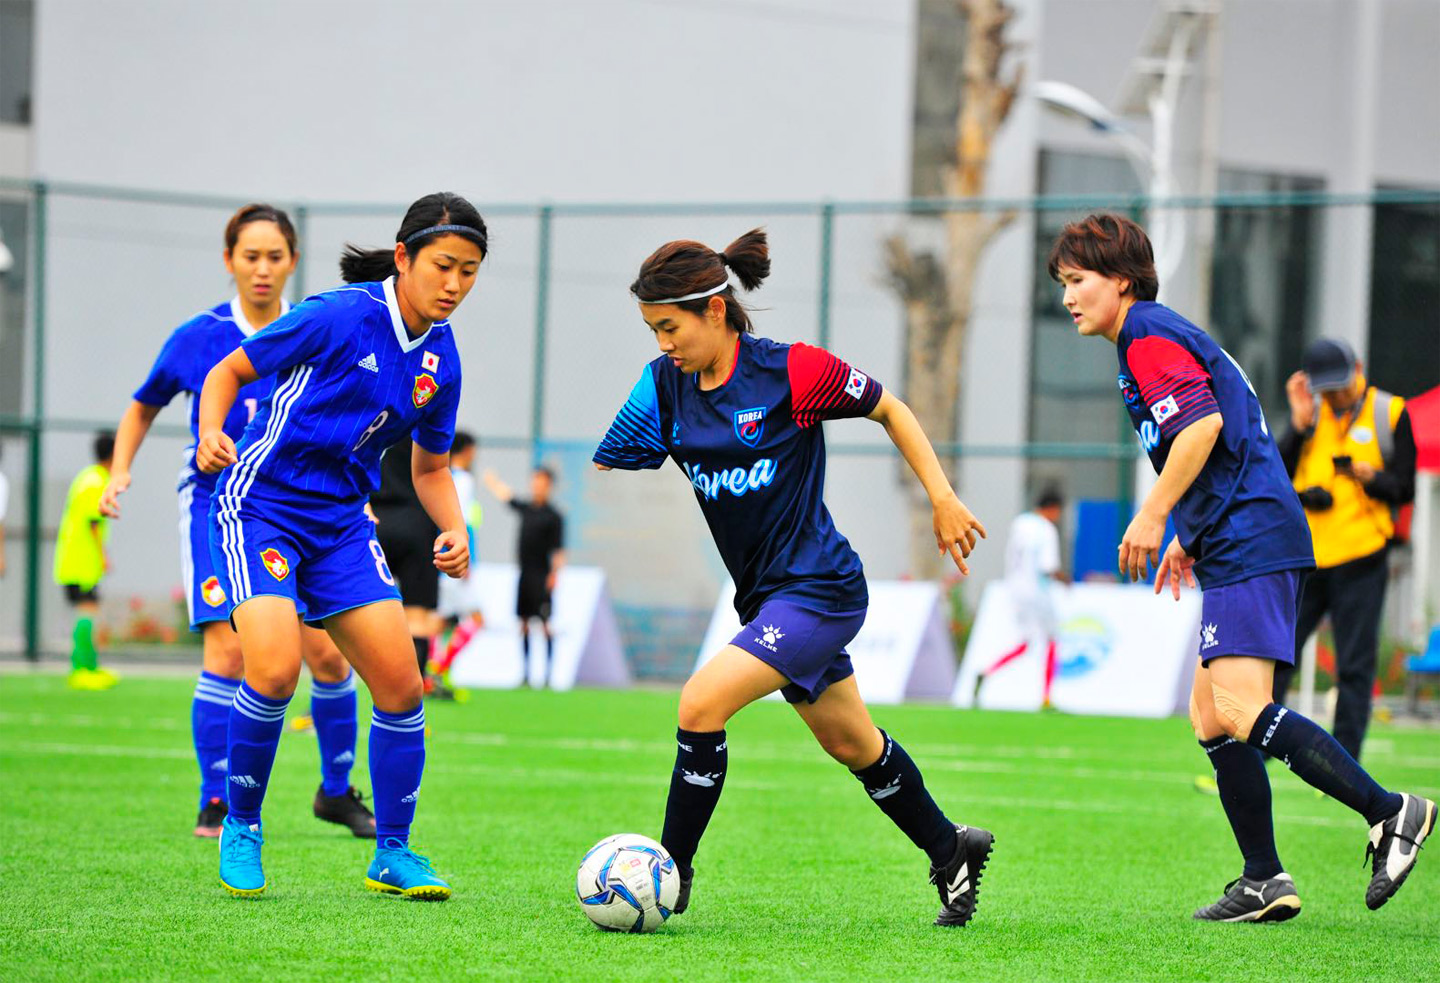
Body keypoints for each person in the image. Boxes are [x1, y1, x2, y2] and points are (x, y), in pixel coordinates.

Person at [593, 229, 993, 927]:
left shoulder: (791, 372)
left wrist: (942, 495)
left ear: (716, 310)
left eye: (670, 326)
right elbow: (618, 451)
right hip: (768, 599)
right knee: (852, 743)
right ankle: (950, 847)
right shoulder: (664, 386)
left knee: (700, 703)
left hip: (821, 588)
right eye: (653, 329)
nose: (662, 343)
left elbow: (890, 408)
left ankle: (671, 871)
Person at [1051, 212, 1434, 922]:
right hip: (1236, 533)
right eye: (1063, 283)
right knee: (1210, 715)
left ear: (1123, 281)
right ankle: (1263, 876)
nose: (1068, 296)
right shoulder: (1149, 336)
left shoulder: (1147, 335)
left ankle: (1391, 811)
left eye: (1078, 280)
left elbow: (1203, 427)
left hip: (1253, 535)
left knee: (1237, 706)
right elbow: (1223, 438)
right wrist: (1189, 531)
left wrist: (1156, 512)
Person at [195, 192, 484, 901]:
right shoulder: (339, 314)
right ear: (406, 256)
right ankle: (243, 823)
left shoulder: (442, 361)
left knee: (400, 683)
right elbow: (227, 372)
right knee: (273, 666)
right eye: (444, 265)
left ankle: (392, 850)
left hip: (343, 525)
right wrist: (208, 432)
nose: (454, 284)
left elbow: (431, 467)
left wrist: (456, 528)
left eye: (470, 271)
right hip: (258, 507)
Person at [100, 203, 373, 840]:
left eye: (275, 256)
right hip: (218, 505)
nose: (262, 268)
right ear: (229, 261)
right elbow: (142, 407)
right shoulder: (199, 336)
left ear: (293, 262)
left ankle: (336, 793)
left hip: (301, 509)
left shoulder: (314, 327)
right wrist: (119, 472)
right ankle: (216, 800)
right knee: (228, 646)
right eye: (249, 256)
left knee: (329, 658)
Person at [1274, 338, 1416, 759]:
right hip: (1309, 557)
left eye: (1340, 384)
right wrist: (1297, 426)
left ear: (1357, 368)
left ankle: (1344, 760)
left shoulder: (1390, 411)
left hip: (1362, 556)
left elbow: (1405, 489)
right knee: (1278, 653)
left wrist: (1371, 479)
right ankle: (1257, 749)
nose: (1335, 395)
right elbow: (1275, 473)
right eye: (1327, 389)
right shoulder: (1309, 415)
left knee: (1354, 665)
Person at [974, 488, 1068, 707]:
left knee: (1026, 643)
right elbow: (1048, 566)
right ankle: (1046, 697)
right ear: (1053, 509)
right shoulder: (1046, 529)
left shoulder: (1020, 524)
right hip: (1037, 592)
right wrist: (1065, 579)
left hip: (1015, 590)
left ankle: (986, 673)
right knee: (1052, 639)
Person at [370, 439, 443, 692]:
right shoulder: (421, 414)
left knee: (353, 612)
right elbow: (436, 472)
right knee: (417, 616)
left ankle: (329, 695)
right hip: (417, 524)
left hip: (373, 522)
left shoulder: (370, 410)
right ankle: (411, 702)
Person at [483, 465, 564, 687]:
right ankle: (526, 674)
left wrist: (555, 574)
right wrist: (492, 481)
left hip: (542, 574)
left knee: (546, 623)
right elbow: (507, 497)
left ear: (549, 486)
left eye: (541, 482)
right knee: (525, 623)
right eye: (535, 481)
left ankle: (548, 675)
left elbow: (559, 550)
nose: (537, 485)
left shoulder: (554, 516)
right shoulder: (527, 508)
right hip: (525, 574)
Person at [55, 432, 119, 690]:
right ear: (114, 454)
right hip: (82, 559)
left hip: (75, 557)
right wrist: (103, 556)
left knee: (88, 610)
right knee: (87, 611)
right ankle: (81, 668)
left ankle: (88, 666)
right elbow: (93, 522)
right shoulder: (96, 481)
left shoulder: (87, 476)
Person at [432, 432, 484, 686]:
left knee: (437, 620)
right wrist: (467, 558)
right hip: (454, 559)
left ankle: (433, 673)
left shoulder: (437, 479)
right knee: (476, 619)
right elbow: (461, 523)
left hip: (436, 558)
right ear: (467, 450)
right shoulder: (461, 480)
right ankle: (437, 668)